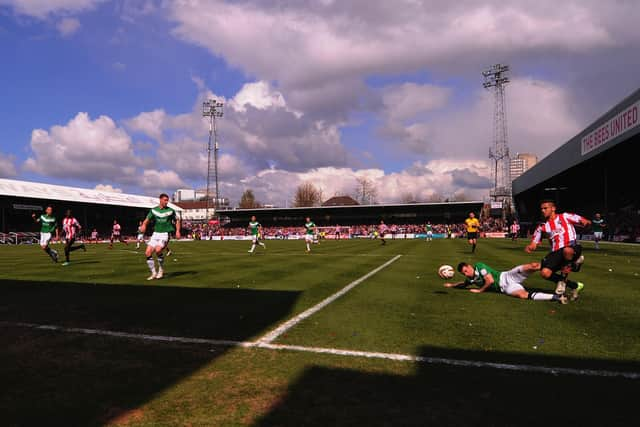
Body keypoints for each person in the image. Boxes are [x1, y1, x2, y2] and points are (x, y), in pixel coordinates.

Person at [525, 200, 590, 300]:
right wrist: (530, 247)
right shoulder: (542, 227)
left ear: (553, 208)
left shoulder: (565, 216)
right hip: (556, 253)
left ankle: (563, 281)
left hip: (572, 247)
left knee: (567, 251)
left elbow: (585, 221)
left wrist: (585, 222)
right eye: (541, 209)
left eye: (545, 208)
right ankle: (575, 285)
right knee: (545, 273)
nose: (543, 210)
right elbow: (534, 244)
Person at [445, 261, 567, 304]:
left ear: (469, 266)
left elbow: (490, 280)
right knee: (522, 295)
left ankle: (562, 266)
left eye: (466, 271)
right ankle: (556, 297)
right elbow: (464, 284)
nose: (466, 274)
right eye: (464, 273)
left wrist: (479, 290)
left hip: (507, 276)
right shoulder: (470, 279)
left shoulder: (479, 266)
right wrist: (452, 285)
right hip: (505, 288)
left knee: (533, 266)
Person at [139, 193, 180, 280]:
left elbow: (177, 221)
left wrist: (177, 231)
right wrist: (143, 225)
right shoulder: (153, 210)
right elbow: (147, 220)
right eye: (165, 200)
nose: (167, 202)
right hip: (155, 233)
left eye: (167, 200)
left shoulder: (171, 210)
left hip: (165, 233)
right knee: (147, 253)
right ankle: (153, 273)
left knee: (158, 250)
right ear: (160, 200)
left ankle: (161, 270)